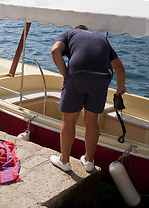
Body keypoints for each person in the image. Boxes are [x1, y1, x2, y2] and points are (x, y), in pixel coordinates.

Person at [50, 25, 126, 173]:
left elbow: (55, 50)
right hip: (101, 79)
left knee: (69, 120)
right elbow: (119, 68)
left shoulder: (69, 33)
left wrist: (66, 75)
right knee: (91, 120)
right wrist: (120, 89)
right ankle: (89, 161)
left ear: (76, 29)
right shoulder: (102, 39)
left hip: (77, 75)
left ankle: (64, 161)